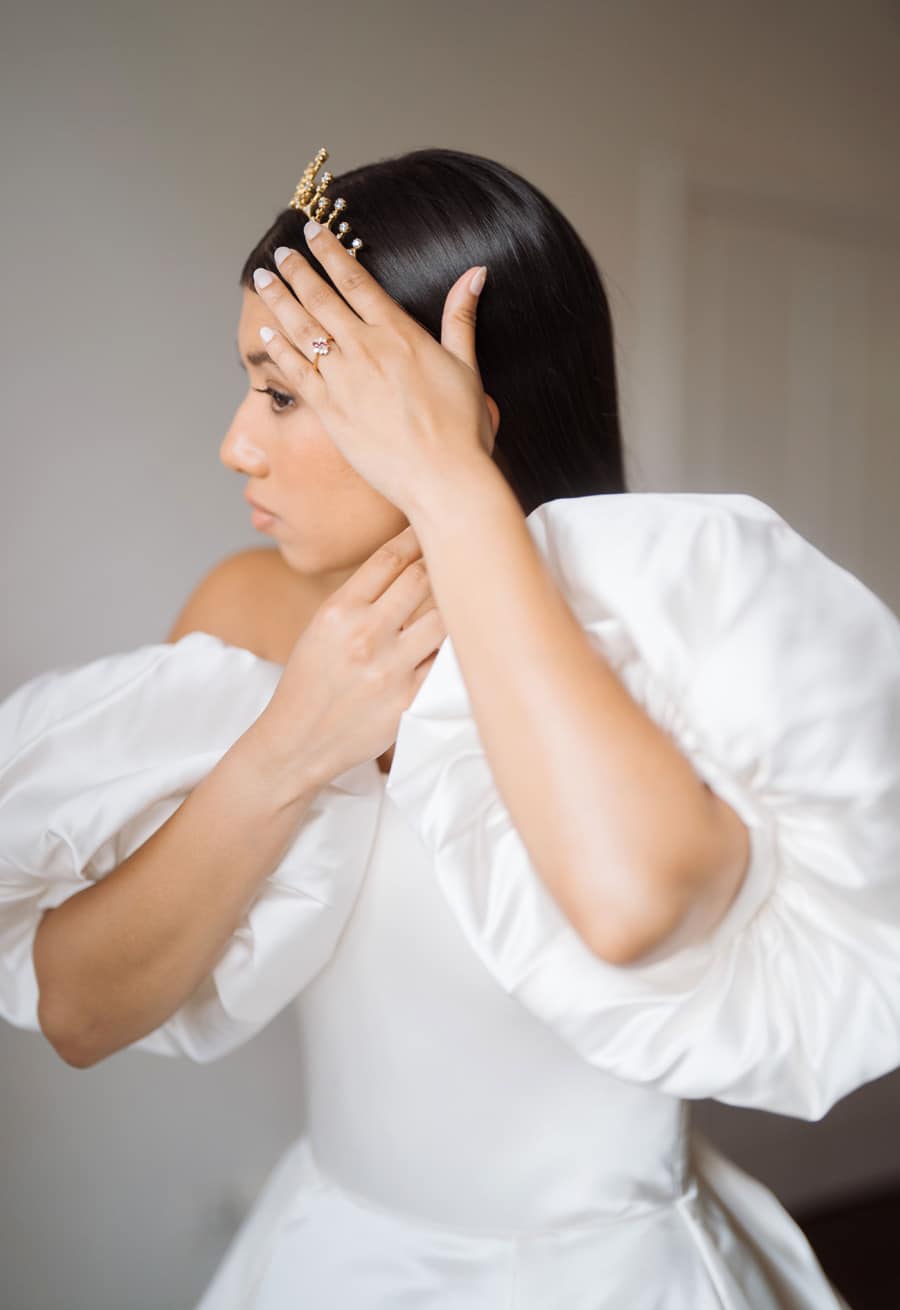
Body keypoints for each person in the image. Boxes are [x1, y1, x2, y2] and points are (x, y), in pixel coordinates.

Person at [1, 145, 898, 1309]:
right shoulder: (243, 612)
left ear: (450, 404)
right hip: (334, 1261)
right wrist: (294, 738)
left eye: (283, 392)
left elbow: (629, 905)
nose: (238, 443)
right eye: (249, 383)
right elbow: (78, 1011)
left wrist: (455, 492)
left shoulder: (664, 640)